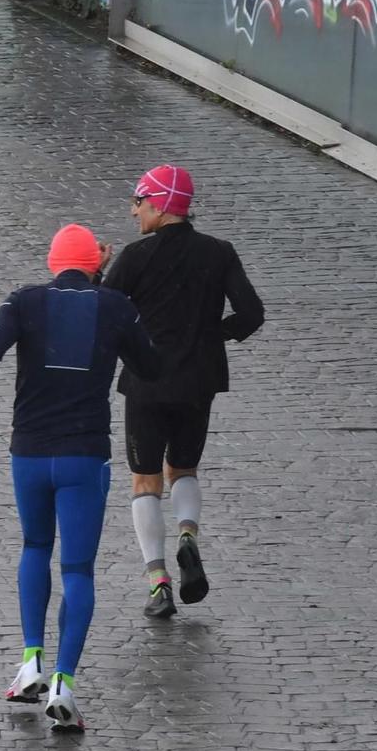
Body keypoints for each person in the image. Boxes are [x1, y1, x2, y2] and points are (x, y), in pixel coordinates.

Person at [0, 225, 161, 731]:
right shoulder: (115, 306)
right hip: (84, 456)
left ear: (53, 262)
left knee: (34, 547)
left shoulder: (24, 303)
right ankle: (64, 685)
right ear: (96, 264)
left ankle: (30, 659)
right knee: (78, 570)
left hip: (29, 453)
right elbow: (150, 366)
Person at [102, 166, 265, 619]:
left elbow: (103, 311)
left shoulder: (135, 257)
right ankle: (188, 536)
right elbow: (252, 313)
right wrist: (213, 335)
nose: (134, 210)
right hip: (199, 380)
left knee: (145, 480)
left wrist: (97, 275)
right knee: (185, 468)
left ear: (159, 204)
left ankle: (158, 582)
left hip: (147, 382)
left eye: (139, 201)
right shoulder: (219, 252)